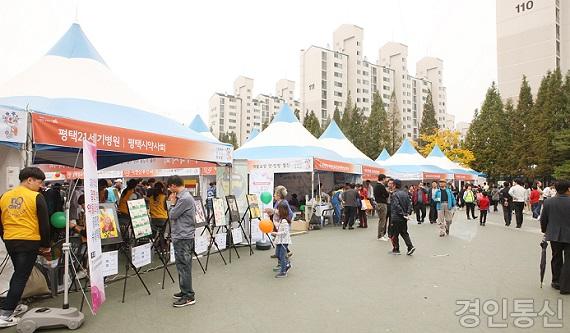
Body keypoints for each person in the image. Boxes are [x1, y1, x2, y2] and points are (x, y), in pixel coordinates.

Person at [0, 167, 51, 327]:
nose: (40, 185)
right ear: (29, 180)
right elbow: (44, 224)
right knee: (21, 276)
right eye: (39, 182)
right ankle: (5, 314)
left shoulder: (4, 196)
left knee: (18, 274)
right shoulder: (36, 197)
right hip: (29, 240)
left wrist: (5, 237)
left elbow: (0, 222)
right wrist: (45, 245)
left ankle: (13, 305)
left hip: (10, 240)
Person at [167, 175, 198, 307]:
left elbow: (172, 215)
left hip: (183, 236)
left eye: (169, 187)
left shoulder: (184, 198)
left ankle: (188, 296)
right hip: (183, 235)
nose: (169, 190)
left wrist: (172, 203)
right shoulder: (185, 197)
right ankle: (184, 291)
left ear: (174, 185)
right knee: (182, 266)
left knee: (184, 267)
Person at [540, 180, 570, 294]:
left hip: (554, 234)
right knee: (569, 260)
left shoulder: (548, 202)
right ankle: (566, 286)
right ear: (568, 189)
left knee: (556, 257)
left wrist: (545, 231)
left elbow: (544, 219)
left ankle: (556, 281)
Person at [389, 179, 415, 255]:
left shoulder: (394, 194)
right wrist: (407, 213)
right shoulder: (405, 194)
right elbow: (410, 204)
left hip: (396, 217)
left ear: (394, 185)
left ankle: (396, 249)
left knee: (394, 234)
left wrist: (403, 213)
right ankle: (410, 246)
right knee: (404, 232)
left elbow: (396, 206)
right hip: (403, 218)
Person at [272, 202, 292, 278]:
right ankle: (286, 264)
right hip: (280, 240)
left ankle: (283, 272)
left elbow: (285, 232)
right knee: (278, 254)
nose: (277, 211)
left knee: (282, 256)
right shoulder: (281, 220)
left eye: (278, 209)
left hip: (284, 241)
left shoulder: (284, 221)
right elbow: (279, 226)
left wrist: (276, 233)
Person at [374, 174, 390, 241]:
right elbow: (386, 195)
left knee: (381, 220)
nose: (386, 180)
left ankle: (380, 235)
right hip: (382, 204)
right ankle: (380, 235)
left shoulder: (376, 186)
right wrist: (388, 192)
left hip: (378, 204)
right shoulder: (381, 186)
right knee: (383, 220)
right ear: (383, 179)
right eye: (385, 179)